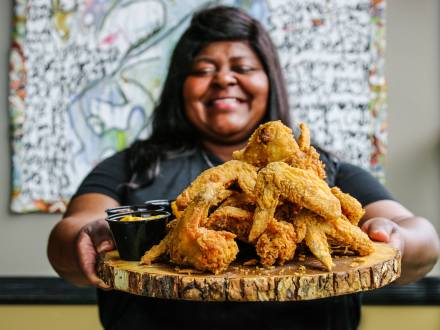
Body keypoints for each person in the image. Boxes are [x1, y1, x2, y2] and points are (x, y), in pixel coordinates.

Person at [47, 5, 440, 330]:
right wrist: (90, 233)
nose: (224, 80)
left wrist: (396, 238)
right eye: (202, 70)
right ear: (178, 87)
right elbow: (69, 234)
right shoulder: (132, 166)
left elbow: (422, 238)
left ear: (270, 81)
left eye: (244, 67)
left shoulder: (323, 171)